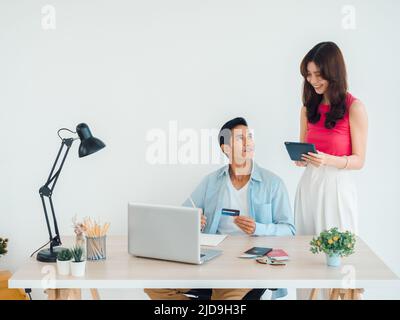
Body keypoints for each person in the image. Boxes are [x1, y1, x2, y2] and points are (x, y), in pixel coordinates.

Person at [145, 117, 295, 300]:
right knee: (155, 286)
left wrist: (259, 228)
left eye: (250, 136)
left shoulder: (273, 183)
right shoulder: (211, 181)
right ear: (227, 148)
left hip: (250, 262)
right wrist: (193, 222)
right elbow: (182, 216)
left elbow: (289, 230)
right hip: (212, 258)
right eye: (241, 138)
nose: (248, 142)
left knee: (224, 298)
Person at [294, 42, 368, 299]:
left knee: (338, 259)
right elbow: (305, 147)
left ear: (333, 72)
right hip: (309, 187)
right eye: (308, 74)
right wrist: (302, 158)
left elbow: (359, 160)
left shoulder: (354, 107)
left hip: (337, 188)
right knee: (307, 255)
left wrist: (329, 160)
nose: (312, 80)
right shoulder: (307, 109)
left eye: (318, 74)